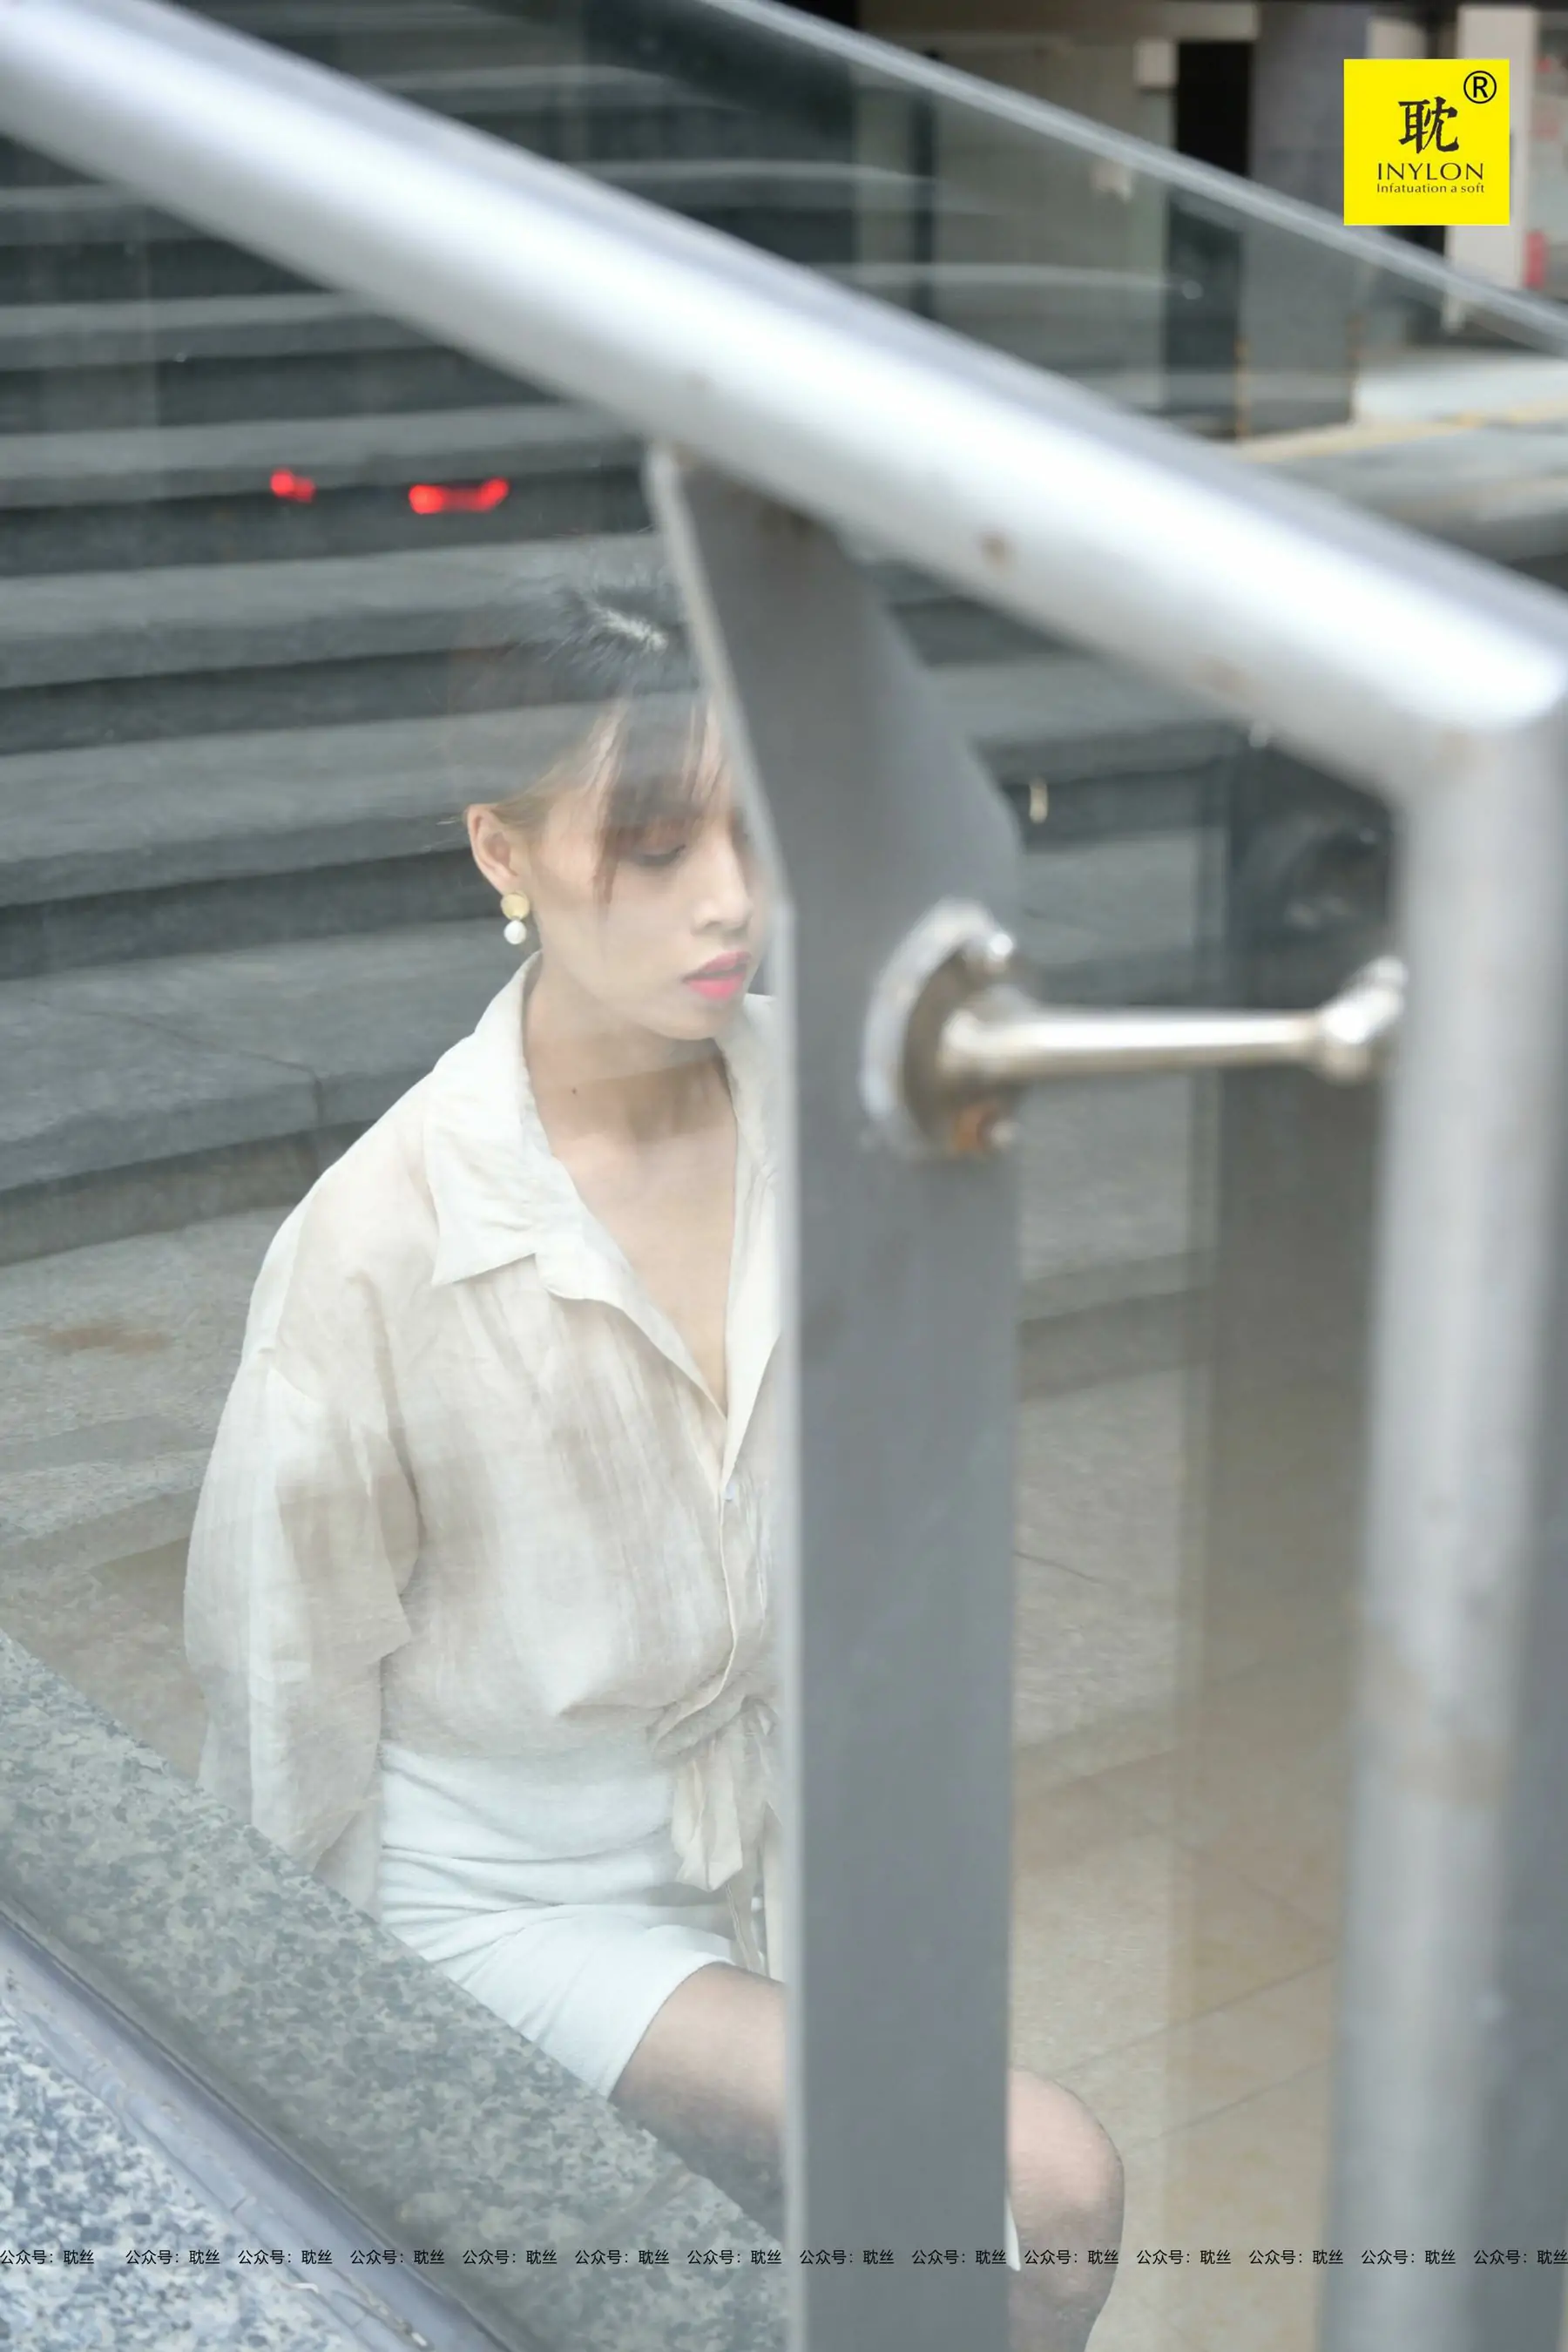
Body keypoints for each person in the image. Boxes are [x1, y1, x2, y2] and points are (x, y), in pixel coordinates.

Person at [183, 564, 1123, 2351]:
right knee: (1049, 2189)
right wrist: (294, 2055)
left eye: (758, 832)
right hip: (493, 1899)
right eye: (656, 843)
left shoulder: (829, 1113)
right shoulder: (385, 1236)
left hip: (751, 1837)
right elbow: (279, 1677)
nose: (732, 900)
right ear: (503, 851)